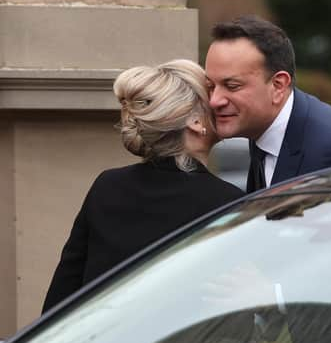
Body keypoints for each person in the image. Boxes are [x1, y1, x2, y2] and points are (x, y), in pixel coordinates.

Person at [42, 59, 244, 312]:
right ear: (194, 120)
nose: (220, 102)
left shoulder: (108, 186)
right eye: (211, 94)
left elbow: (61, 297)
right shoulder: (225, 201)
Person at [205, 15, 331, 193]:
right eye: (210, 86)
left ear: (278, 86)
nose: (214, 101)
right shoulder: (262, 131)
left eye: (232, 86)